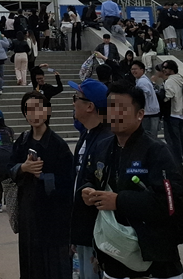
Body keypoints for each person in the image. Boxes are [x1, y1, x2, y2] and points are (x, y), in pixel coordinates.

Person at [80, 83, 183, 279]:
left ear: (140, 114)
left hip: (155, 262)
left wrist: (119, 201)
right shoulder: (103, 147)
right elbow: (90, 178)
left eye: (121, 108)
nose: (114, 113)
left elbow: (173, 203)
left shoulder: (157, 151)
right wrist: (88, 191)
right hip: (114, 260)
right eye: (110, 106)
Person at [8, 91, 74, 279]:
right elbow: (9, 169)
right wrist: (23, 168)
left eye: (38, 108)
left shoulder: (58, 145)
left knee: (52, 269)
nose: (34, 114)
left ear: (47, 111)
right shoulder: (22, 141)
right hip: (28, 217)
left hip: (52, 220)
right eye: (29, 109)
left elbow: (69, 182)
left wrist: (43, 177)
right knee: (30, 266)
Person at [69, 79, 113, 279]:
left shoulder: (106, 141)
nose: (73, 103)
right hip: (83, 231)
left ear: (90, 107)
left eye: (76, 98)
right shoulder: (86, 135)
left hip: (98, 234)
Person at [161, 60, 183, 171]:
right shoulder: (180, 79)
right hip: (182, 114)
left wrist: (161, 97)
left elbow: (168, 96)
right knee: (182, 139)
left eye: (166, 67)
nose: (164, 69)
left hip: (172, 114)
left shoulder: (170, 81)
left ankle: (178, 162)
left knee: (173, 140)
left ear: (172, 69)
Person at [129, 61, 160, 136]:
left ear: (142, 70)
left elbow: (143, 96)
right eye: (132, 69)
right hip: (152, 112)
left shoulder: (142, 82)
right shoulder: (143, 79)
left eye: (135, 69)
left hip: (148, 114)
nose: (133, 71)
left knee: (147, 137)